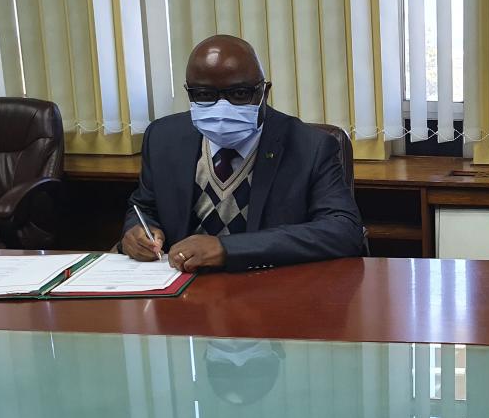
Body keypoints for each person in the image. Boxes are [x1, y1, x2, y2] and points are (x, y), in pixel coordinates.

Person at [120, 34, 365, 271]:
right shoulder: (163, 137)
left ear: (263, 92)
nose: (222, 106)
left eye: (239, 94)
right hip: (181, 289)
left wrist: (228, 249)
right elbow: (144, 207)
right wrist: (137, 231)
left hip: (267, 289)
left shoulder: (310, 146)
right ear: (189, 93)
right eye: (204, 95)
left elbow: (343, 230)